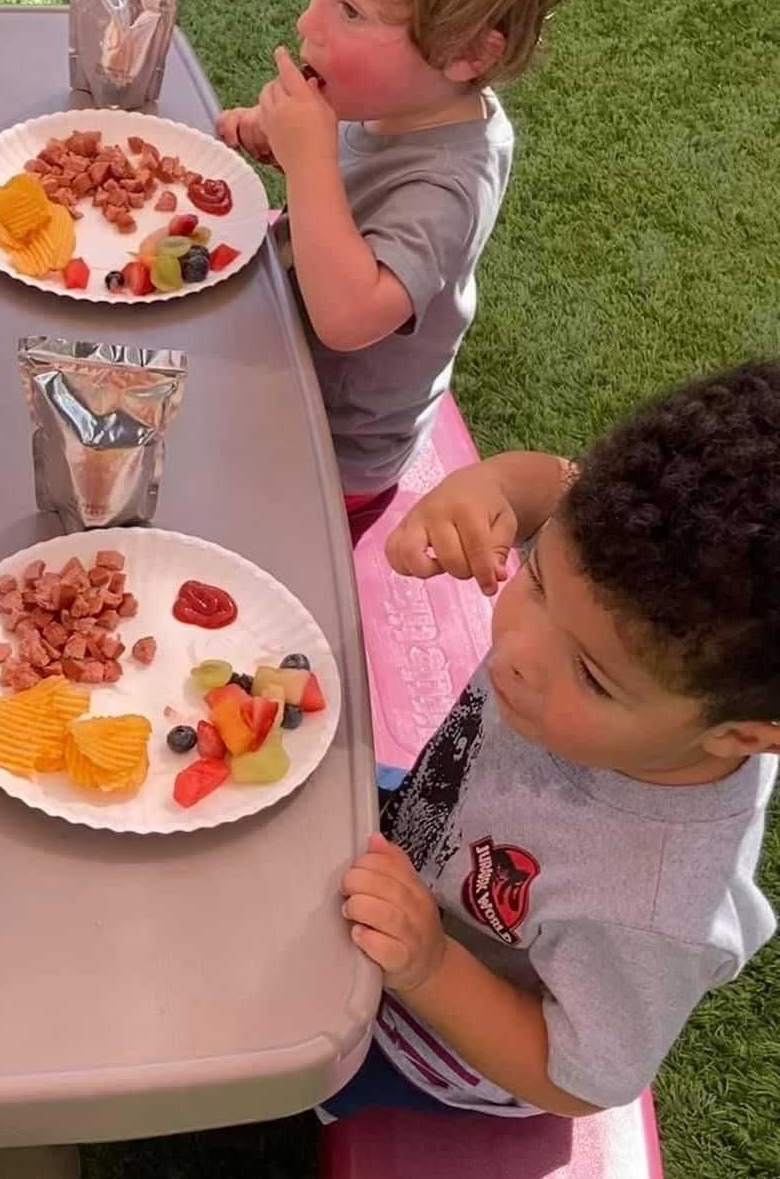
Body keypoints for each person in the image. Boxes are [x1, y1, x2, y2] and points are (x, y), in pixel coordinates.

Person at [324, 359, 779, 1120]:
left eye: (594, 677)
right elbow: (559, 485)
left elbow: (578, 1080)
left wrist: (430, 966)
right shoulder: (634, 576)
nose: (515, 652)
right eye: (537, 578)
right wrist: (495, 489)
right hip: (427, 845)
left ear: (742, 734)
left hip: (444, 1032)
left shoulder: (652, 907)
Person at [218, 0, 591, 545]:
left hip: (332, 449)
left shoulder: (451, 182)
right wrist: (276, 138)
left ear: (468, 55)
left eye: (351, 9)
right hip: (280, 351)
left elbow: (352, 317)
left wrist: (312, 163)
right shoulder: (393, 91)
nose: (309, 23)